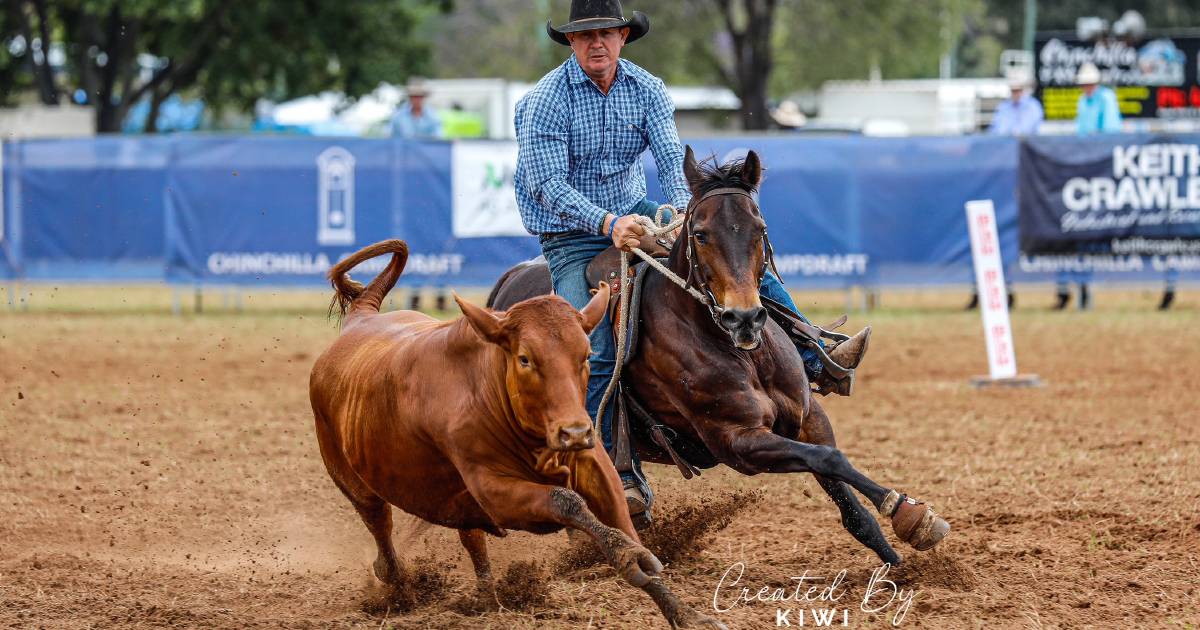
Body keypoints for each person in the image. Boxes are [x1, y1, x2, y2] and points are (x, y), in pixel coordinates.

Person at [514, 0, 870, 528]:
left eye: (607, 33)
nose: (597, 43)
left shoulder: (648, 89)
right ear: (570, 41)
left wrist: (685, 211)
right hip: (571, 237)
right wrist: (609, 224)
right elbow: (549, 187)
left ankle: (817, 355)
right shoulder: (544, 102)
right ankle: (610, 468)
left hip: (637, 214)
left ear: (623, 37)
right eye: (585, 35)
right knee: (588, 343)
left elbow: (668, 158)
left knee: (736, 265)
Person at [966, 71, 1043, 310]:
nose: (1015, 93)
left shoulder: (1032, 109)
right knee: (996, 232)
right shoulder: (1004, 109)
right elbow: (997, 135)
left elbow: (1020, 136)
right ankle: (997, 288)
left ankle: (1003, 287)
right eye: (1013, 89)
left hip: (1022, 176)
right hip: (1003, 176)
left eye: (1018, 89)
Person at [1055, 63, 1123, 310]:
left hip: (1102, 169)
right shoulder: (1084, 102)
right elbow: (1082, 133)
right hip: (1085, 169)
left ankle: (1085, 284)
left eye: (1089, 83)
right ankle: (1079, 284)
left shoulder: (1106, 98)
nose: (1086, 87)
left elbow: (1110, 134)